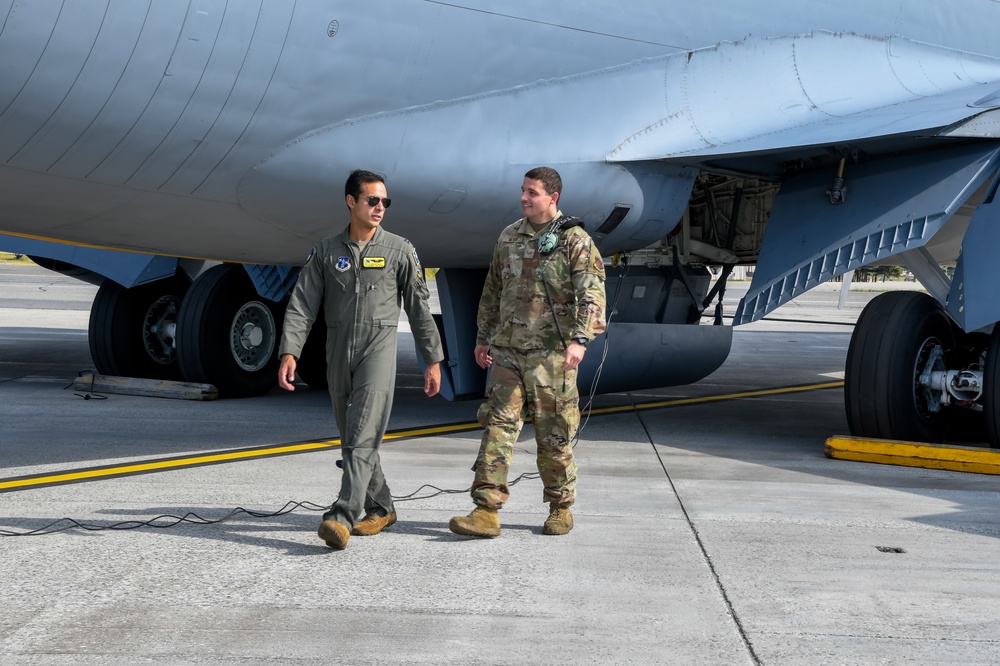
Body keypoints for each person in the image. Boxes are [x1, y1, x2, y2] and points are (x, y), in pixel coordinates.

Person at [278, 169, 444, 550]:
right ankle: (382, 506)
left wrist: (432, 359)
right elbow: (302, 305)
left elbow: (419, 308)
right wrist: (290, 351)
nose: (380, 207)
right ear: (351, 202)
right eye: (373, 200)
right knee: (352, 437)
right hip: (337, 350)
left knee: (362, 433)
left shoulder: (400, 250)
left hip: (379, 349)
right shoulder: (325, 251)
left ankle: (343, 514)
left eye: (385, 201)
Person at [449, 166, 606, 538]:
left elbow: (592, 295)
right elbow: (493, 289)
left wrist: (579, 341)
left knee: (553, 435)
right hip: (508, 352)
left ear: (553, 198)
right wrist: (483, 336)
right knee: (497, 426)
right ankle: (486, 510)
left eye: (532, 192)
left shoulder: (575, 240)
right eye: (522, 190)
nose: (523, 198)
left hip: (552, 357)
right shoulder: (509, 237)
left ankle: (560, 506)